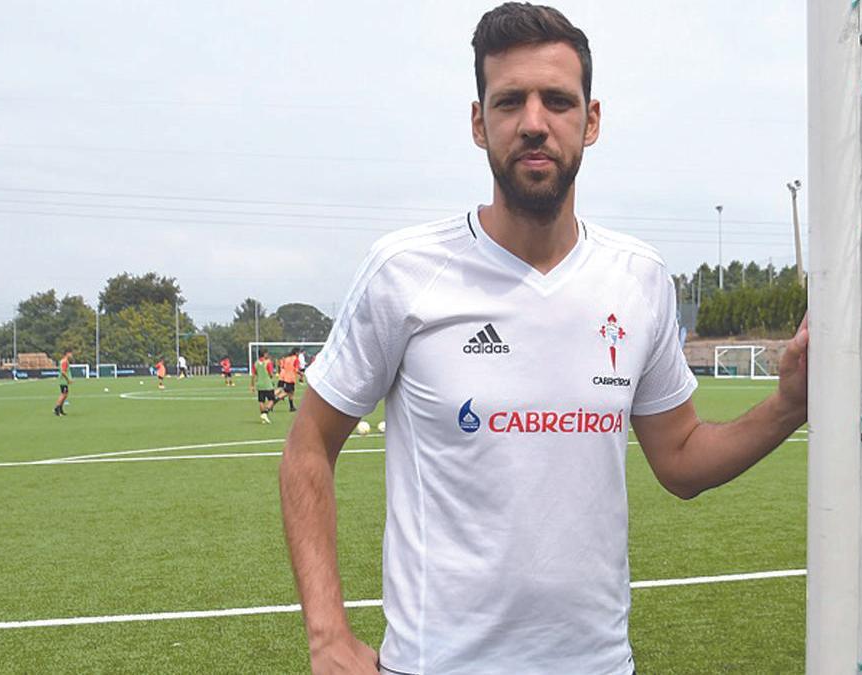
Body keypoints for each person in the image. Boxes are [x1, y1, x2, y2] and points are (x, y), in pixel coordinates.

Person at [278, 5, 810, 674]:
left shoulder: (638, 278)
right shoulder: (404, 271)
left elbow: (680, 458)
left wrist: (789, 403)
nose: (534, 122)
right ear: (480, 123)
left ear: (590, 120)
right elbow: (307, 447)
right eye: (510, 102)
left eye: (557, 100)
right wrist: (327, 634)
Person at [251, 348, 277, 424]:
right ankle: (265, 413)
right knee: (272, 399)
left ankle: (263, 418)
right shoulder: (268, 362)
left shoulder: (256, 363)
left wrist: (252, 385)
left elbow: (253, 375)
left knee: (261, 401)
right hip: (267, 384)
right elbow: (271, 374)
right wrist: (272, 377)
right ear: (265, 354)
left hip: (259, 384)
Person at [275, 347, 301, 412]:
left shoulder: (287, 358)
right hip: (291, 378)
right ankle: (274, 400)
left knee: (291, 393)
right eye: (299, 352)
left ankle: (291, 407)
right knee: (287, 392)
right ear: (296, 352)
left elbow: (283, 367)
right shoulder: (296, 359)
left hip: (286, 377)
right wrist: (301, 374)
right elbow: (296, 369)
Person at [53, 349, 73, 416]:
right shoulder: (65, 362)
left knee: (65, 394)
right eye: (70, 353)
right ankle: (57, 409)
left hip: (63, 380)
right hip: (63, 380)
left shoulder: (64, 361)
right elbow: (63, 372)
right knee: (63, 394)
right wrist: (68, 380)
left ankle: (60, 409)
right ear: (67, 353)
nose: (71, 355)